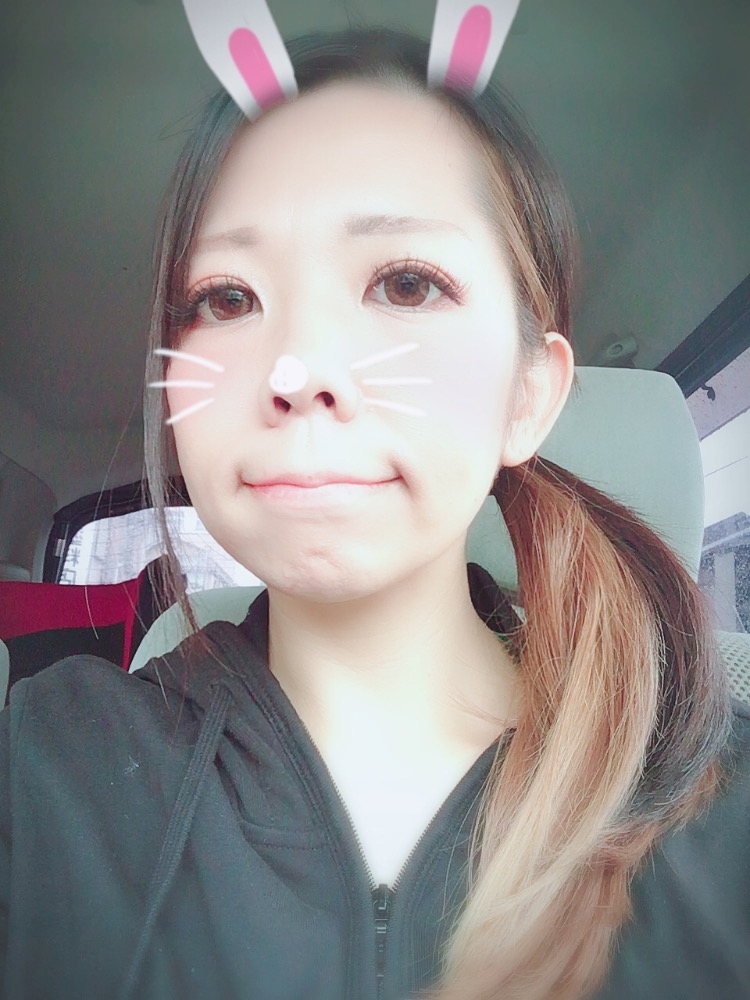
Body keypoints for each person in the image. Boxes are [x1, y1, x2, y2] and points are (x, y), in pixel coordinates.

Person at [1, 21, 748, 1000]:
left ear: (527, 394)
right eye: (227, 298)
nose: (297, 369)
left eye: (405, 282)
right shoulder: (52, 766)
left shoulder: (716, 809)